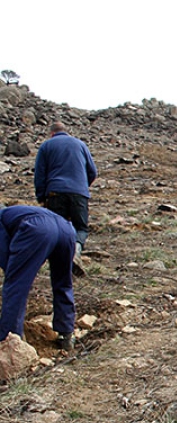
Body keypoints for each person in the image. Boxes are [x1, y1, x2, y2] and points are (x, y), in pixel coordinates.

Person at [0, 205, 76, 350]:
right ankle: (66, 333)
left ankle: (9, 340)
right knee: (63, 282)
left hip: (38, 228)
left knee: (15, 285)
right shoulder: (10, 214)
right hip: (67, 229)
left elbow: (7, 261)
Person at [33, 122, 97, 277]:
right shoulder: (80, 144)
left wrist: (41, 196)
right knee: (80, 228)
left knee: (58, 229)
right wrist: (82, 187)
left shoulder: (46, 146)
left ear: (52, 133)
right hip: (79, 193)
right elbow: (93, 171)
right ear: (66, 132)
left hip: (55, 192)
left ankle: (58, 265)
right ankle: (75, 252)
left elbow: (39, 174)